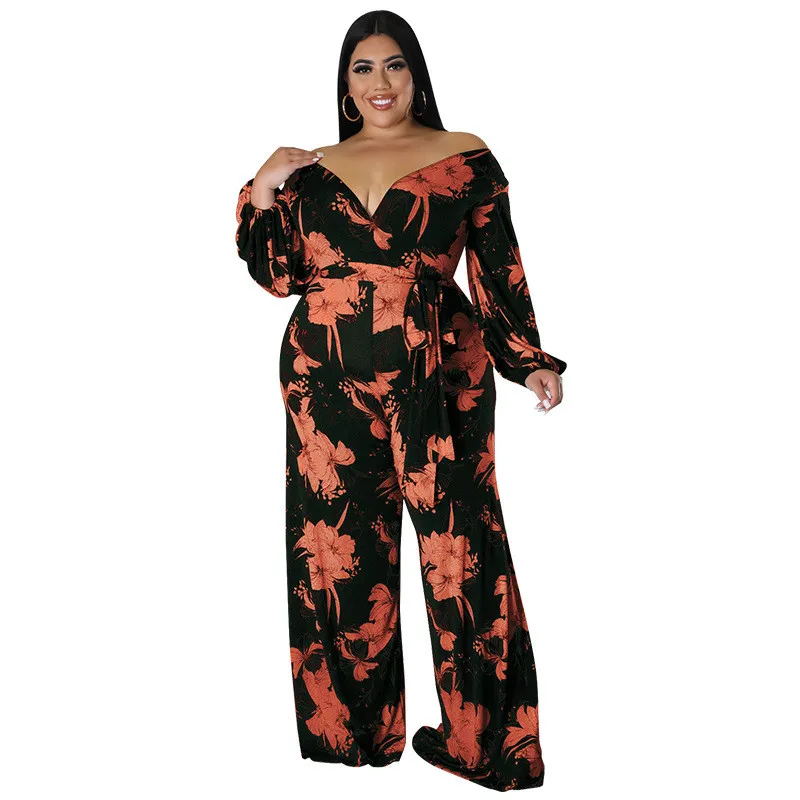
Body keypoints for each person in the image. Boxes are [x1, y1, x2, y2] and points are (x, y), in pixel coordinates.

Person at [234, 9, 566, 792]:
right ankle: (353, 735)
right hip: (322, 377)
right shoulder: (310, 171)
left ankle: (485, 743)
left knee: (462, 545)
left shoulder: (463, 156)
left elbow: (497, 266)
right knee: (336, 547)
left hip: (440, 369)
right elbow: (277, 275)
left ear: (416, 75)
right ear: (345, 85)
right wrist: (263, 184)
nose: (379, 82)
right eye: (363, 68)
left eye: (394, 65)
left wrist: (527, 360)